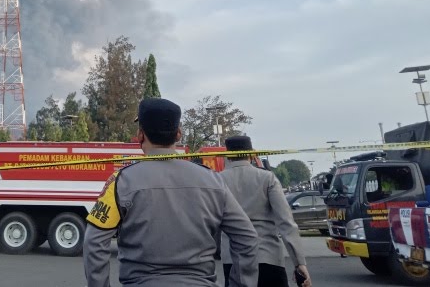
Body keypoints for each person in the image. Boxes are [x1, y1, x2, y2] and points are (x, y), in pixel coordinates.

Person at [83, 97, 259, 287]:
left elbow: (94, 242)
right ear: (178, 134)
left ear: (140, 134)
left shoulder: (121, 182)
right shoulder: (213, 181)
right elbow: (247, 237)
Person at [220, 136, 312, 287]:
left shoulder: (217, 180)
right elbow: (286, 222)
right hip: (267, 257)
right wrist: (299, 262)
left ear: (227, 155)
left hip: (233, 260)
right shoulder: (267, 178)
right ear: (251, 153)